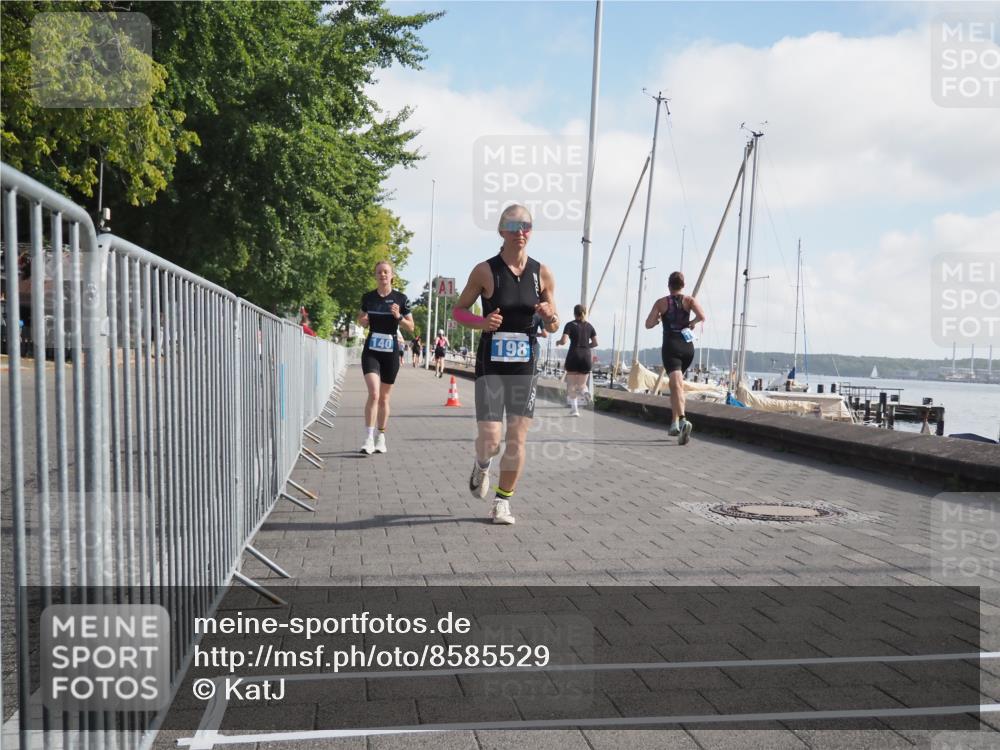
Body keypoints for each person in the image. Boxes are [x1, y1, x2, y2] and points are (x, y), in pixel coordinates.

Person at [452, 204, 559, 525]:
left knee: (517, 437)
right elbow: (459, 311)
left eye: (526, 225)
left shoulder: (542, 273)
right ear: (501, 231)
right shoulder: (485, 271)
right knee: (491, 437)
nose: (520, 231)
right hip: (492, 362)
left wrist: (550, 318)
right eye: (513, 225)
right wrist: (481, 322)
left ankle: (502, 502)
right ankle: (482, 464)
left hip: (525, 362)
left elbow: (554, 324)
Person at [358, 261, 414, 455]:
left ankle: (381, 436)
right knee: (373, 393)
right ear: (375, 275)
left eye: (386, 272)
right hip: (372, 348)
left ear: (392, 276)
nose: (382, 275)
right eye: (379, 272)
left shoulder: (401, 298)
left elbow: (411, 327)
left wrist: (399, 317)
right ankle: (368, 437)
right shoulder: (368, 297)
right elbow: (361, 318)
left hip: (390, 349)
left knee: (384, 397)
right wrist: (363, 321)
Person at [644, 271, 706, 445]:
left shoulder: (661, 302)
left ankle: (683, 419)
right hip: (687, 348)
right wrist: (692, 323)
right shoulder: (689, 301)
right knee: (676, 385)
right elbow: (702, 316)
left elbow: (648, 324)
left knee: (676, 385)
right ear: (683, 285)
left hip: (671, 346)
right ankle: (674, 424)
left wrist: (657, 320)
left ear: (669, 285)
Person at [557, 305, 598, 417]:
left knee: (571, 385)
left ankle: (575, 410)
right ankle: (585, 392)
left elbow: (564, 340)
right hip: (586, 356)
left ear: (574, 313)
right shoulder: (590, 326)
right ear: (585, 313)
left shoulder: (570, 325)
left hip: (573, 355)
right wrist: (585, 346)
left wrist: (558, 342)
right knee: (582, 384)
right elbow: (595, 343)